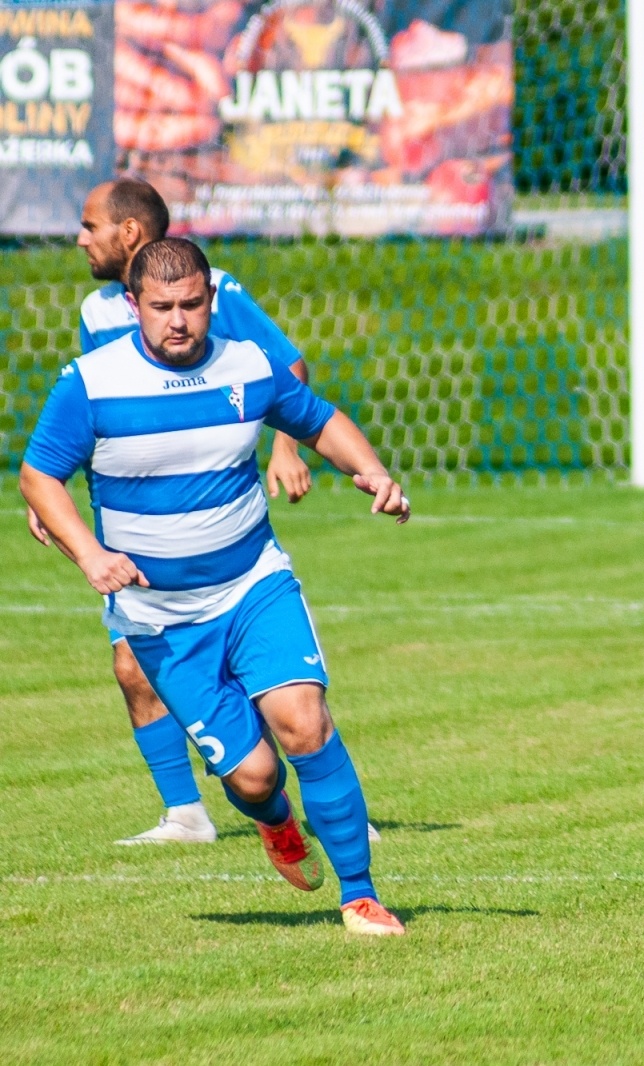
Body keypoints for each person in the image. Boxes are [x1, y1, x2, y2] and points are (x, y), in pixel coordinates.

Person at [21, 238, 407, 935]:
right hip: (161, 620)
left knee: (304, 721)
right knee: (256, 779)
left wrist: (373, 471)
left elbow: (318, 420)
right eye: (163, 307)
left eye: (192, 305)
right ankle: (277, 823)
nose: (179, 320)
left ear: (210, 300)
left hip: (254, 585)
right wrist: (88, 553)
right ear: (133, 305)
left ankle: (359, 894)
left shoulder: (247, 365)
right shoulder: (91, 381)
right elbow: (39, 475)